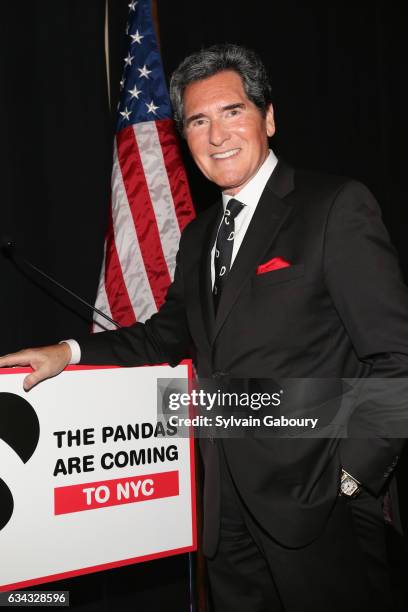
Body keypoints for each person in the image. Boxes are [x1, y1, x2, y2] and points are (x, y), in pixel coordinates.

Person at [0, 44, 407, 611]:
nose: (217, 136)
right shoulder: (197, 238)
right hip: (225, 518)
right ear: (184, 137)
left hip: (319, 512)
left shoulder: (334, 207)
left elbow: (396, 359)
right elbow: (162, 336)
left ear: (268, 117)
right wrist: (66, 352)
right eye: (198, 121)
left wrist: (350, 480)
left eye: (232, 112)